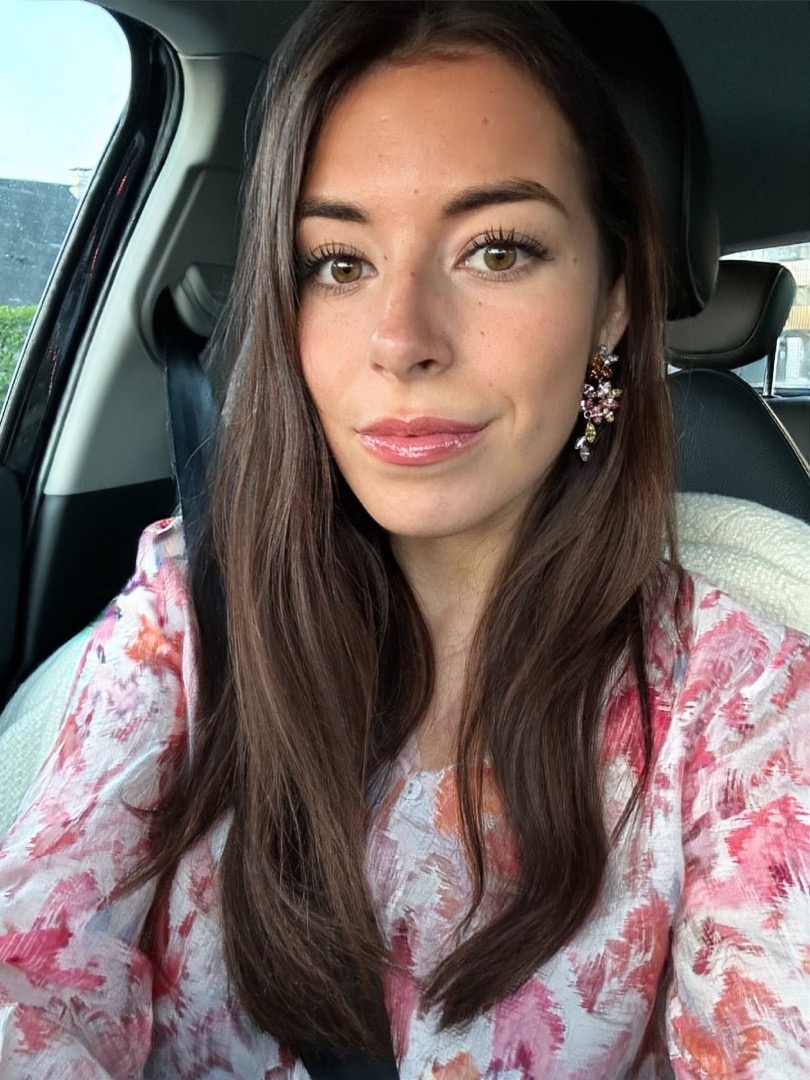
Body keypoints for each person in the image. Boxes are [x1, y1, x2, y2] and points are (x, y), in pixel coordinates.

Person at [0, 2, 807, 1077]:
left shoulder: (740, 699)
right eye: (338, 262)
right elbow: (32, 984)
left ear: (614, 303)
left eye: (497, 250)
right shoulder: (189, 615)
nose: (401, 340)